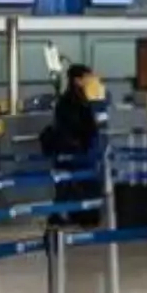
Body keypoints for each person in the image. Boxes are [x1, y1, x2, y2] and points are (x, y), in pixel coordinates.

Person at [43, 64, 101, 227]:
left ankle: (72, 215)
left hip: (76, 149)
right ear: (77, 80)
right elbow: (75, 126)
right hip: (73, 150)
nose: (90, 81)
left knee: (70, 186)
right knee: (74, 185)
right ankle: (78, 216)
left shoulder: (79, 99)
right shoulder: (70, 101)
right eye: (86, 78)